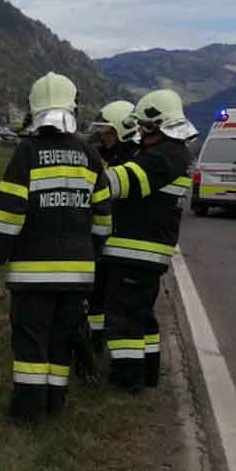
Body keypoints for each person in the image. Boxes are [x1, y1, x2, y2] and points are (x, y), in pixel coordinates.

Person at [0, 72, 111, 423]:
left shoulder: (26, 153)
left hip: (32, 275)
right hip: (78, 274)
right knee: (61, 342)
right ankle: (54, 406)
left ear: (34, 108)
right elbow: (103, 217)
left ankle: (27, 413)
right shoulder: (89, 154)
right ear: (72, 107)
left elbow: (8, 213)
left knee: (30, 344)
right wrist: (92, 252)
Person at [101, 90, 195, 392]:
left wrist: (82, 165)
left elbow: (118, 183)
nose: (139, 132)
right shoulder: (173, 153)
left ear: (159, 125)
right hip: (147, 252)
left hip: (137, 251)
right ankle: (149, 372)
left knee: (124, 320)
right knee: (142, 317)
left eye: (144, 127)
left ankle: (127, 380)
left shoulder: (163, 158)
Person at [86, 100, 137, 350]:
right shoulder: (110, 153)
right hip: (104, 235)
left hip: (119, 238)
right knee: (96, 291)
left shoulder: (132, 159)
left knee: (112, 296)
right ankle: (95, 340)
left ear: (121, 130)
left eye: (108, 131)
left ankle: (105, 342)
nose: (103, 136)